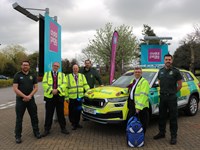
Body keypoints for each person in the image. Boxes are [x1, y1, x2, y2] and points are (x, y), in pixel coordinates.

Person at [153, 54, 182, 145]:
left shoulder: (176, 71)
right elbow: (160, 83)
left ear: (172, 60)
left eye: (169, 59)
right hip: (162, 97)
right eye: (166, 59)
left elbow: (180, 85)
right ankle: (162, 133)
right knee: (162, 116)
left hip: (172, 97)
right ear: (164, 60)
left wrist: (172, 92)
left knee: (173, 117)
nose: (168, 61)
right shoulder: (160, 71)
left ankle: (173, 136)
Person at [13, 60, 41, 144]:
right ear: (21, 66)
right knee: (19, 119)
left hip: (31, 100)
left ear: (29, 66)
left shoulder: (32, 75)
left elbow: (36, 88)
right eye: (24, 65)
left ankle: (36, 132)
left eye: (27, 65)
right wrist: (24, 96)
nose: (25, 66)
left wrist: (29, 96)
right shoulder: (17, 75)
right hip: (20, 100)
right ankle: (18, 136)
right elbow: (15, 88)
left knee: (34, 117)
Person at [42, 62, 69, 137]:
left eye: (57, 66)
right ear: (52, 66)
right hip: (49, 96)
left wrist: (57, 90)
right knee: (49, 114)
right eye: (54, 65)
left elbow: (65, 84)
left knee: (60, 113)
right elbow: (44, 84)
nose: (56, 67)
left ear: (59, 67)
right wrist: (51, 90)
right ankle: (47, 129)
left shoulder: (62, 75)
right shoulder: (47, 74)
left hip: (59, 96)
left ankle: (63, 128)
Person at [126, 67, 150, 135]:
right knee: (132, 121)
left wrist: (138, 107)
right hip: (132, 104)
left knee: (142, 122)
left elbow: (143, 95)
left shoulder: (144, 82)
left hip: (141, 106)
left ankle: (141, 136)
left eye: (139, 72)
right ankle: (133, 135)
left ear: (141, 73)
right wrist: (121, 92)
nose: (137, 73)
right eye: (136, 72)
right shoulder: (133, 81)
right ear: (134, 73)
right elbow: (130, 90)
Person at [65, 64, 90, 130]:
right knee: (72, 111)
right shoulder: (68, 77)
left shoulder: (82, 76)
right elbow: (66, 88)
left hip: (79, 97)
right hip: (72, 98)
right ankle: (73, 123)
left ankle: (77, 123)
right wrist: (66, 97)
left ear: (78, 69)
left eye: (76, 68)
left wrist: (89, 90)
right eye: (74, 68)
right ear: (72, 69)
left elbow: (85, 85)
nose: (75, 69)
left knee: (78, 111)